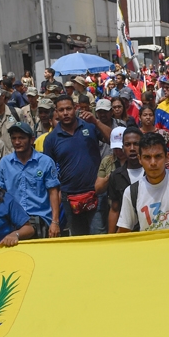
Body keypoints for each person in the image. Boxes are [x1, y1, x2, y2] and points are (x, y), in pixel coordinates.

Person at [42, 95, 115, 236]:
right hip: (70, 198)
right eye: (61, 110)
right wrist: (55, 219)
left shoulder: (90, 126)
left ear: (75, 108)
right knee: (78, 240)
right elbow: (50, 177)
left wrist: (96, 121)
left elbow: (114, 140)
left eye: (68, 109)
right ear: (56, 112)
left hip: (96, 194)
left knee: (98, 238)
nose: (65, 113)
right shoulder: (51, 139)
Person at [116, 112, 169, 232]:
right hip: (151, 250)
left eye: (158, 156)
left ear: (167, 157)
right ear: (140, 159)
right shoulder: (132, 192)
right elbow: (123, 232)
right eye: (147, 157)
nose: (153, 162)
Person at [0, 122, 61, 238]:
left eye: (21, 138)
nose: (17, 142)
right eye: (14, 138)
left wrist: (55, 222)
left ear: (31, 140)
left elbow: (54, 193)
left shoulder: (45, 162)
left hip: (40, 219)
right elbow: (2, 193)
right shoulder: (4, 163)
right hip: (14, 220)